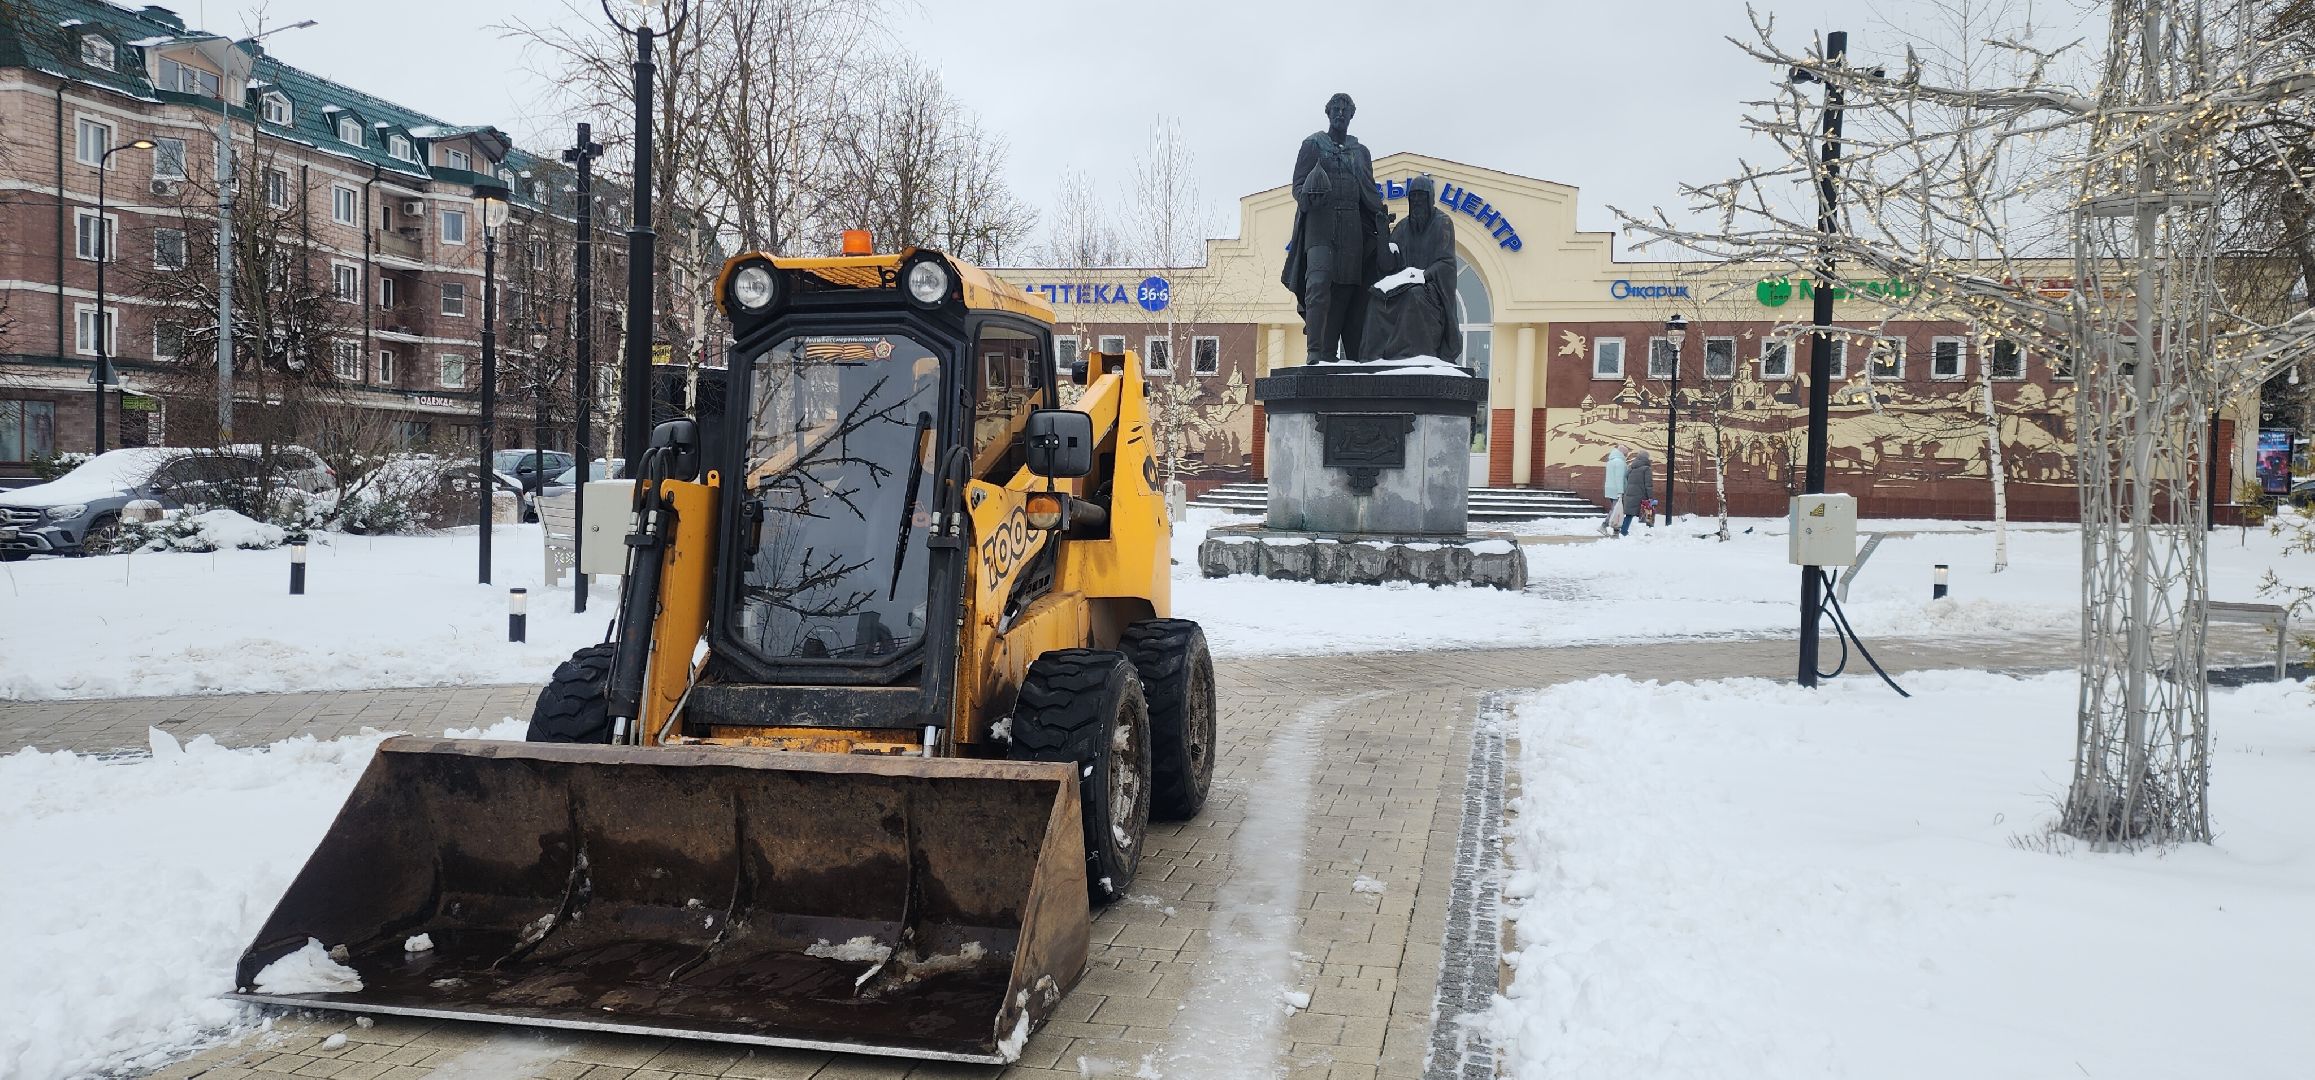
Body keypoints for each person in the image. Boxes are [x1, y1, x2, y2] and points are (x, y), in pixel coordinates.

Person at [1280, 93, 1386, 365]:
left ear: (1351, 116)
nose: (1340, 113)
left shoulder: (1360, 152)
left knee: (1346, 288)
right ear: (1328, 113)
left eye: (1345, 110)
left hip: (1352, 225)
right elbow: (1298, 186)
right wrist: (1309, 197)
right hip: (1320, 222)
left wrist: (1382, 219)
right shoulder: (1313, 144)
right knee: (1317, 283)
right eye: (1336, 109)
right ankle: (1315, 352)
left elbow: (1369, 191)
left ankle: (1331, 351)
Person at [1620, 450, 1654, 536]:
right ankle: (1650, 530)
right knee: (1648, 511)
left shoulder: (1632, 467)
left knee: (1629, 514)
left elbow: (1626, 476)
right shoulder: (1646, 469)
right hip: (1641, 494)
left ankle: (1624, 531)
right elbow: (1648, 484)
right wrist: (1650, 497)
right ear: (1646, 458)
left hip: (1630, 493)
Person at [1600, 446, 1628, 536]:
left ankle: (1616, 529)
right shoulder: (1620, 463)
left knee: (1616, 509)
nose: (1626, 456)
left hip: (1610, 488)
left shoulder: (1610, 461)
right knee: (1615, 510)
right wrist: (1621, 491)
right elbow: (1619, 478)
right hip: (1617, 490)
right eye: (1626, 454)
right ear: (1623, 453)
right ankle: (1604, 525)